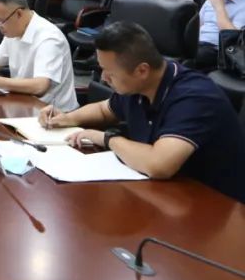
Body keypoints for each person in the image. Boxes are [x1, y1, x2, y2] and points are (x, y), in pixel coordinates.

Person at [40, 22, 245, 203]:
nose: (103, 78)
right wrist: (66, 118)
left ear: (142, 70)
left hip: (217, 207)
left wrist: (108, 139)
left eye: (110, 73)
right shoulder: (139, 85)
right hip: (167, 195)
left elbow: (159, 164)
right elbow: (104, 110)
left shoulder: (195, 97)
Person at [0, 0, 79, 110]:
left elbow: (40, 86)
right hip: (24, 104)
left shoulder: (49, 38)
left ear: (19, 14)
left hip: (53, 113)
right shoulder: (13, 32)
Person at [194, 0, 245, 70]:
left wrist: (219, 7)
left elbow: (232, 38)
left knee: (191, 58)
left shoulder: (242, 6)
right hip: (197, 43)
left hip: (218, 50)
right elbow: (198, 24)